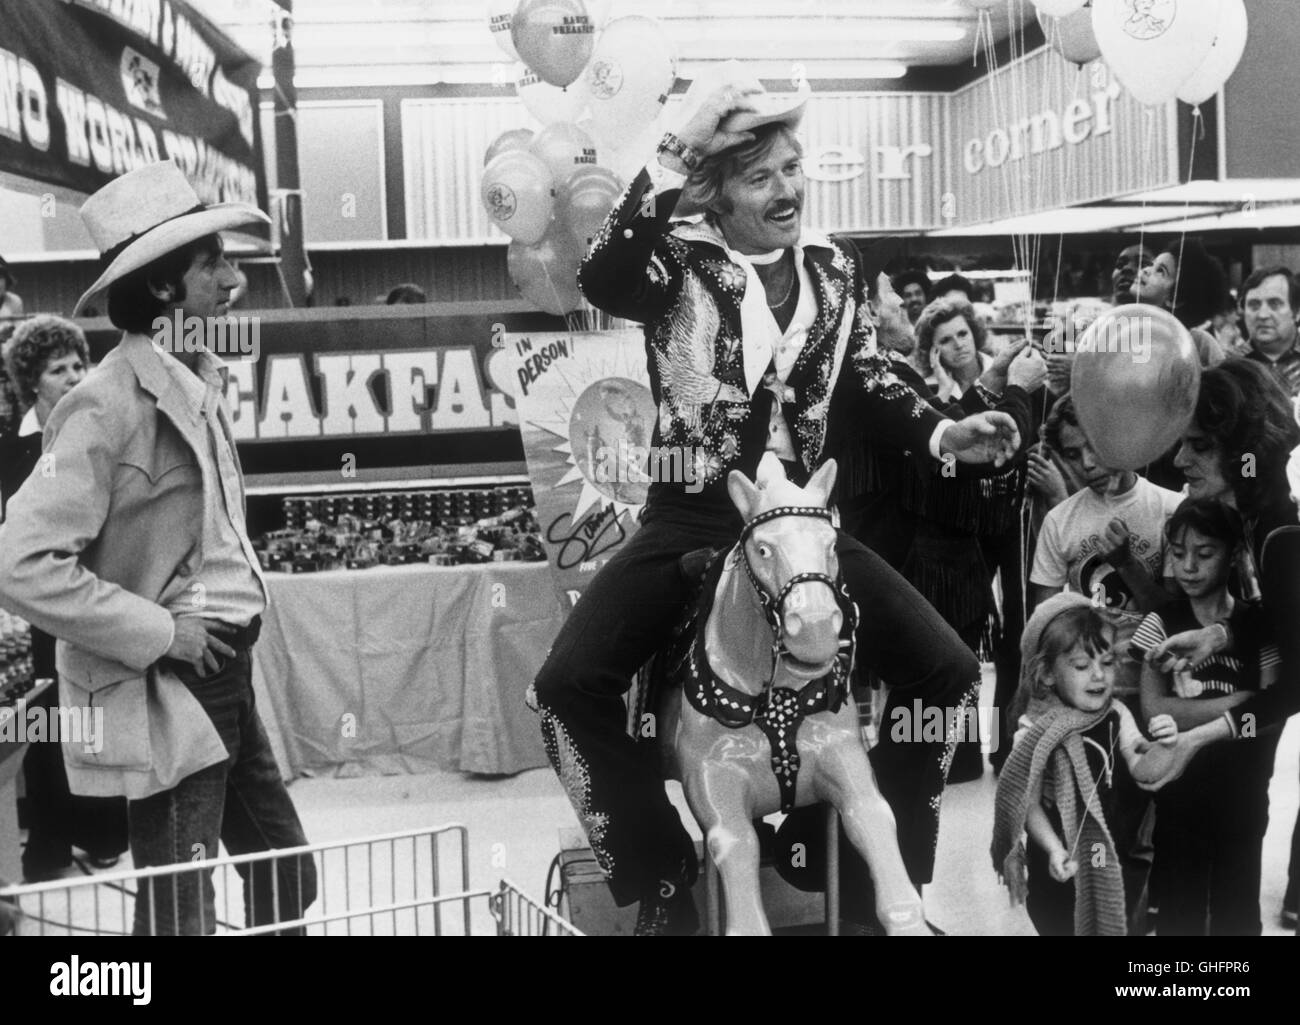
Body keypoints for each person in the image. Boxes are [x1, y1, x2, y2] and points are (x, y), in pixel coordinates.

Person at [530, 76, 1023, 934]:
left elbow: (863, 375)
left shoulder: (837, 267)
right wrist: (679, 140)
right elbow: (601, 272)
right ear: (715, 193)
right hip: (695, 515)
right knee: (566, 686)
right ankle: (660, 876)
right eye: (761, 177)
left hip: (809, 528)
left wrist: (944, 435)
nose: (788, 190)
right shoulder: (674, 262)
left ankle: (885, 882)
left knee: (944, 672)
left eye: (794, 168)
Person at [0, 161, 316, 935]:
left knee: (286, 874)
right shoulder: (105, 404)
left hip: (227, 673)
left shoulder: (197, 379)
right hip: (171, 686)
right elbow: (19, 561)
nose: (235, 280)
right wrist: (161, 631)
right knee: (180, 909)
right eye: (217, 263)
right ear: (170, 290)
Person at [1141, 359, 1300, 933]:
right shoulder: (1260, 522)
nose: (1180, 462)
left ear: (1244, 450)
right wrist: (1221, 633)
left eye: (1199, 446)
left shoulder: (1283, 537)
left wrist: (1198, 736)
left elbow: (1293, 687)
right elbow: (1284, 625)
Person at [1, 316, 128, 881]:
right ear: (32, 382)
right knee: (46, 723)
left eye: (80, 365)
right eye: (59, 369)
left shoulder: (101, 431)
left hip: (96, 596)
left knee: (97, 718)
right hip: (36, 608)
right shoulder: (10, 449)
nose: (75, 376)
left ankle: (104, 833)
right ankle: (48, 842)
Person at [1131, 498, 1282, 935]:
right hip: (1179, 798)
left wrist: (1197, 716)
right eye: (1178, 554)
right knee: (1180, 912)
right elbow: (1155, 710)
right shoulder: (1161, 622)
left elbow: (1271, 720)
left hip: (1245, 794)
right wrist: (1243, 701)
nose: (1189, 567)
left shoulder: (1257, 626)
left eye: (1205, 553)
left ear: (1233, 553)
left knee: (1238, 911)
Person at [992, 593, 1177, 936]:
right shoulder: (1033, 732)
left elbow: (1144, 769)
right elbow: (1027, 805)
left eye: (1107, 663)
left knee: (1103, 916)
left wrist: (1166, 746)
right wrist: (1053, 848)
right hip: (1056, 854)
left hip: (1100, 845)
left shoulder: (1117, 716)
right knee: (1058, 921)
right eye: (1081, 666)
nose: (1099, 676)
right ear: (1047, 673)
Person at [1134, 238, 1228, 365]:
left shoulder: (1199, 343)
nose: (1145, 270)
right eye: (1152, 264)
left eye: (1160, 271)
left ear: (1175, 299)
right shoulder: (1122, 327)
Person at [1238, 266, 1300, 398]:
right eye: (1254, 305)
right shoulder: (1229, 366)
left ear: (1297, 312)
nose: (1262, 315)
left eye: (1274, 304)